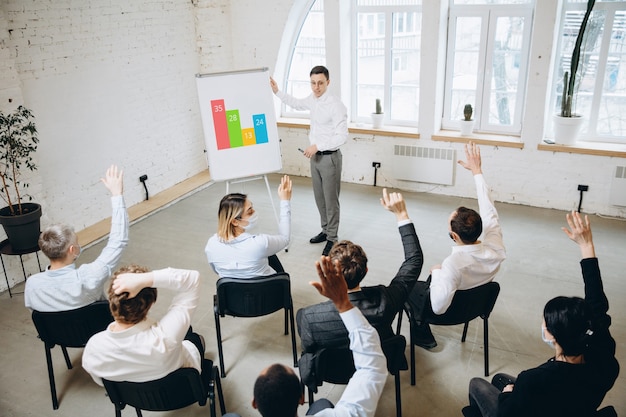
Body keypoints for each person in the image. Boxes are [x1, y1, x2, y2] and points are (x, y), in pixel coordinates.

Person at [463, 211, 619, 417]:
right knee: (500, 378)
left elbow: (507, 413)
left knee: (478, 385)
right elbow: (597, 303)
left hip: (530, 406)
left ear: (553, 335)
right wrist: (586, 246)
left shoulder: (534, 380)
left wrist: (508, 395)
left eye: (545, 323)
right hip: (575, 407)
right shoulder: (605, 358)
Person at [224, 255, 388, 417]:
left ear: (254, 403)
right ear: (302, 399)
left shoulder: (308, 318)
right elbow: (372, 367)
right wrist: (343, 303)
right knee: (322, 404)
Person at [296, 187, 423, 361]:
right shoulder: (387, 299)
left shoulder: (309, 317)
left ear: (329, 276)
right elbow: (414, 260)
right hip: (379, 360)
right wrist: (401, 215)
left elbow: (309, 349)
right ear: (365, 270)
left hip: (334, 372)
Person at [407, 142, 506, 349]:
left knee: (407, 288)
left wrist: (437, 274)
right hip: (475, 302)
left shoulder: (453, 264)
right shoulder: (496, 249)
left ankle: (422, 333)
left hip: (451, 312)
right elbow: (489, 210)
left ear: (454, 236)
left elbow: (438, 307)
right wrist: (477, 172)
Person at [82, 265, 209, 386]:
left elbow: (102, 381)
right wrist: (145, 279)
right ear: (149, 304)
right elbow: (193, 280)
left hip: (134, 398)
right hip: (185, 385)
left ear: (111, 299)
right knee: (192, 337)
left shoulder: (94, 347)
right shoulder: (164, 338)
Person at [24, 165, 129, 312]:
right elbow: (118, 241)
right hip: (95, 334)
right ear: (72, 250)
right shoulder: (90, 276)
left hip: (56, 335)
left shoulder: (32, 285)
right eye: (77, 242)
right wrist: (117, 195)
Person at [270, 66, 348, 256]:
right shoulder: (313, 99)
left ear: (328, 82)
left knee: (331, 201)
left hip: (330, 158)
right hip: (315, 158)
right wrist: (277, 92)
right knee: (319, 198)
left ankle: (333, 238)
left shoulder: (336, 105)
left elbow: (342, 136)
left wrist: (317, 145)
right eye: (313, 83)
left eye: (320, 83)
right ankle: (325, 230)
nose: (316, 87)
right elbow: (296, 103)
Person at [205, 175, 292, 278]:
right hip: (267, 291)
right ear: (235, 222)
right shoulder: (260, 243)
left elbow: (217, 271)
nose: (254, 212)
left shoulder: (211, 246)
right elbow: (284, 239)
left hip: (234, 293)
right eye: (250, 211)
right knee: (269, 253)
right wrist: (285, 200)